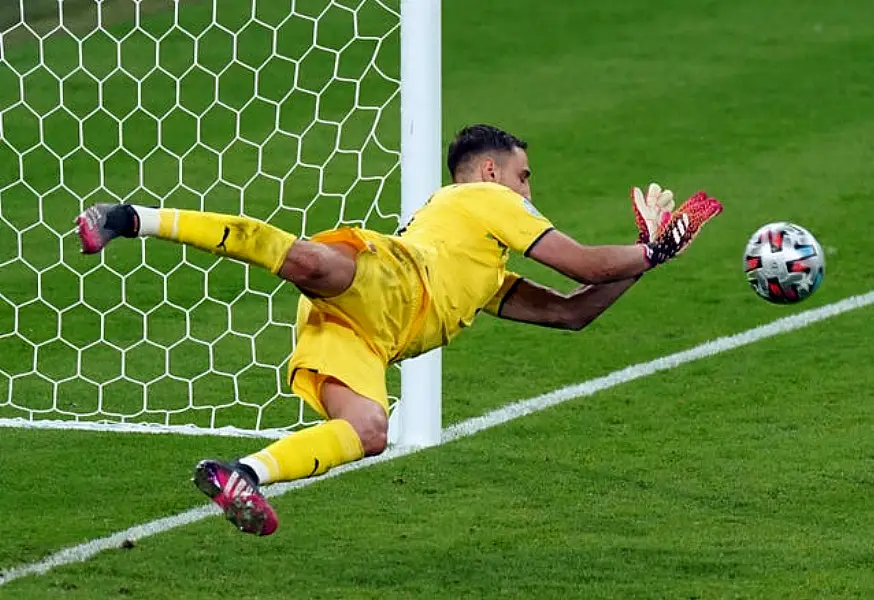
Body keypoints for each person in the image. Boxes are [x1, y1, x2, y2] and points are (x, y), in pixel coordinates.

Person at [76, 124, 722, 536]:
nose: (530, 190)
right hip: (385, 277)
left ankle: (238, 472)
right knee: (303, 258)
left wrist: (646, 255)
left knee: (368, 433)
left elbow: (571, 310)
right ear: (492, 172)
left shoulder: (481, 270)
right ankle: (131, 217)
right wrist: (658, 251)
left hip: (365, 337)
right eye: (525, 176)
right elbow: (581, 262)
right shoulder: (483, 199)